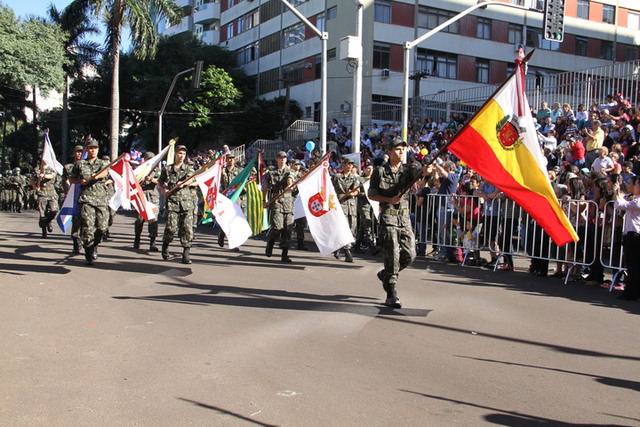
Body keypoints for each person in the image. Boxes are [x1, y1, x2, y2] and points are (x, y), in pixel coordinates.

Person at [368, 139, 431, 308]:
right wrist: (389, 199)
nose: (401, 152)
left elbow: (420, 176)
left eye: (403, 149)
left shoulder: (408, 168)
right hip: (388, 216)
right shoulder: (380, 171)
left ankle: (386, 274)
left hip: (404, 217)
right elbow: (372, 195)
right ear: (389, 152)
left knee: (410, 255)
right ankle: (391, 292)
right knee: (393, 254)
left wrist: (426, 171)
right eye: (397, 149)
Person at [69, 139, 111, 265]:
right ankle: (88, 250)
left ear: (98, 150)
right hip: (86, 199)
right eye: (90, 148)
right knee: (88, 227)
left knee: (102, 228)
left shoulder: (103, 164)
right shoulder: (80, 164)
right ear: (87, 150)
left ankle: (95, 245)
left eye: (95, 148)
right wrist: (80, 181)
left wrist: (95, 176)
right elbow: (72, 179)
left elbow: (106, 172)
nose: (93, 150)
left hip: (101, 200)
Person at [158, 145, 197, 264]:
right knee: (171, 228)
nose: (181, 156)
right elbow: (160, 181)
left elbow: (193, 180)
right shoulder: (167, 169)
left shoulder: (188, 168)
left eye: (184, 154)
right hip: (173, 202)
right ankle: (165, 245)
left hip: (187, 203)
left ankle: (186, 254)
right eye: (180, 153)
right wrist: (163, 190)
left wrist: (183, 183)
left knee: (187, 229)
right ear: (175, 154)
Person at [264, 151, 296, 263]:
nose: (283, 160)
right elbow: (266, 186)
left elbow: (290, 179)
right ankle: (271, 242)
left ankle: (284, 254)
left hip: (288, 202)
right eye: (281, 158)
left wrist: (290, 185)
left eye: (284, 158)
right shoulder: (271, 173)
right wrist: (265, 200)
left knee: (288, 230)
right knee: (277, 227)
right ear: (277, 159)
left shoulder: (290, 171)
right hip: (276, 201)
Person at [612, 176, 640, 300]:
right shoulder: (635, 199)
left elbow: (620, 205)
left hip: (635, 234)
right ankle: (632, 291)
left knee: (633, 265)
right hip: (631, 233)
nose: (630, 186)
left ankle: (631, 293)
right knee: (632, 265)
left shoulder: (637, 201)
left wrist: (618, 193)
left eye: (632, 184)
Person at [332, 157, 360, 263]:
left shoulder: (354, 178)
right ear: (343, 165)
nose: (350, 166)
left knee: (352, 228)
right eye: (348, 164)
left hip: (351, 205)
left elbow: (357, 191)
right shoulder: (337, 177)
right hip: (340, 204)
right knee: (341, 227)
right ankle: (347, 252)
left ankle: (339, 247)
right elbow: (331, 189)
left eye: (351, 164)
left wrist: (351, 193)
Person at [134, 151, 161, 252]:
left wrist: (151, 179)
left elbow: (160, 182)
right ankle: (137, 238)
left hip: (152, 196)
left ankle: (152, 242)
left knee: (153, 219)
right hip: (142, 195)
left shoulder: (157, 170)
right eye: (148, 159)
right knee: (140, 219)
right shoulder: (139, 170)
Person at [62, 145, 85, 253]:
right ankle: (76, 241)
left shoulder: (86, 165)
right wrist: (67, 192)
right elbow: (64, 180)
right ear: (73, 153)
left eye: (81, 152)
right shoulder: (68, 167)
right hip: (74, 195)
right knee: (76, 220)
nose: (79, 154)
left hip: (86, 195)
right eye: (77, 152)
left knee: (86, 220)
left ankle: (85, 239)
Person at [218, 153, 242, 248]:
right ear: (226, 160)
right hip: (225, 198)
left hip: (236, 199)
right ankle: (222, 233)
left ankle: (234, 241)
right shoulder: (222, 171)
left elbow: (242, 183)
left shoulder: (239, 171)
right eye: (229, 159)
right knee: (226, 220)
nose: (231, 161)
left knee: (235, 220)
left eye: (232, 159)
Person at [35, 165, 59, 238]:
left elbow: (52, 176)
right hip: (42, 193)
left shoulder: (52, 167)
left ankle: (48, 221)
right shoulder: (37, 169)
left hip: (51, 192)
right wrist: (35, 187)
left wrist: (43, 175)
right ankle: (44, 231)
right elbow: (32, 179)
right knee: (42, 213)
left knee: (54, 210)